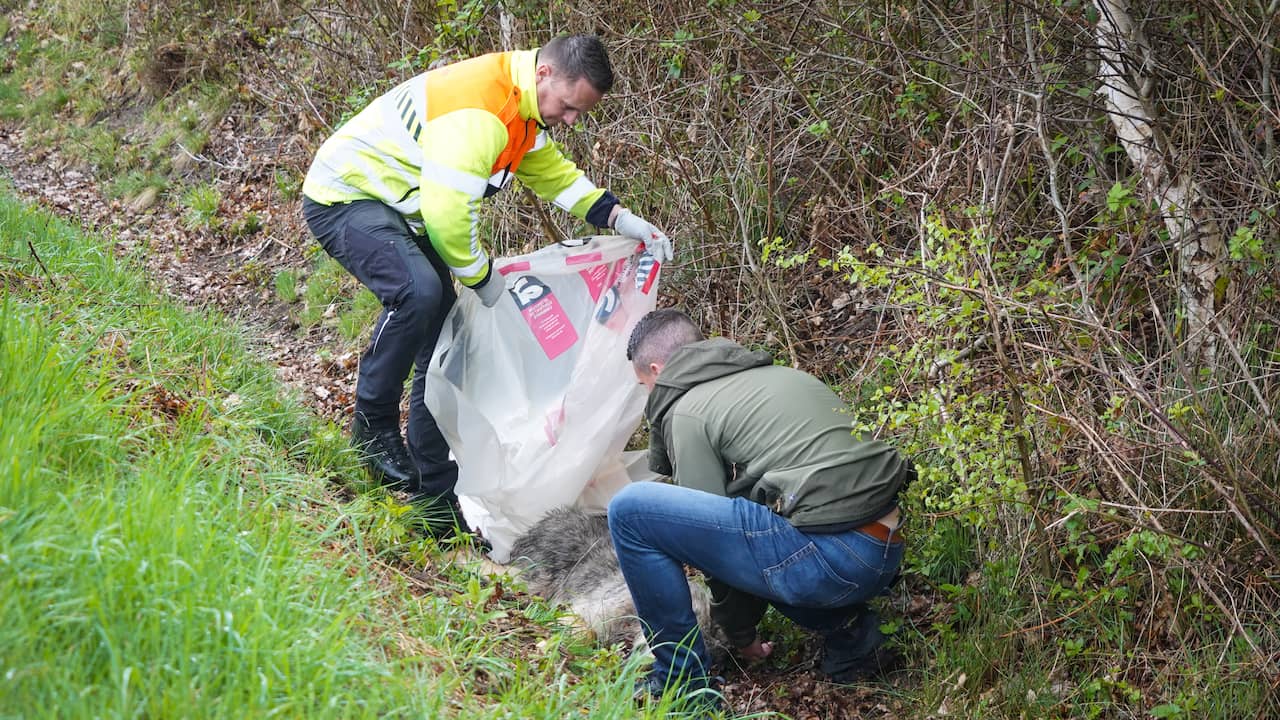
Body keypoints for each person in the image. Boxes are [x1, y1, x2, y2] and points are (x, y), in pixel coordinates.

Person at [300, 34, 673, 525]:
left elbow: (555, 176)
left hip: (401, 209)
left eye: (579, 113)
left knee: (446, 342)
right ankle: (372, 427)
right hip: (346, 194)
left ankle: (434, 502)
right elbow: (447, 215)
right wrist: (482, 278)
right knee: (419, 293)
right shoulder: (484, 111)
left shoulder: (524, 111)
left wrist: (619, 217)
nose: (571, 120)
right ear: (544, 73)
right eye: (568, 107)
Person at [608, 309, 912, 710]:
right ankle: (853, 635)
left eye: (644, 385)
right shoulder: (777, 376)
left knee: (629, 511)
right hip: (884, 549)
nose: (648, 394)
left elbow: (711, 544)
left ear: (656, 370)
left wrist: (739, 633)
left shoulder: (686, 411)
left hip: (834, 560)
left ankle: (682, 685)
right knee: (761, 510)